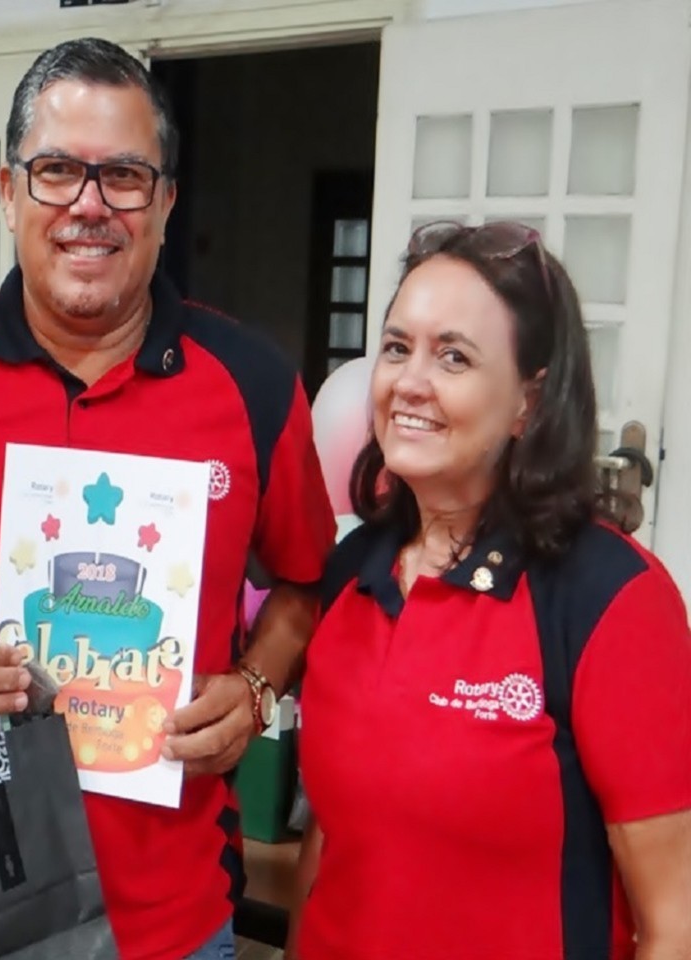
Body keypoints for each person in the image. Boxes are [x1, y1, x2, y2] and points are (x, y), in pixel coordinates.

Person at [0, 37, 335, 960]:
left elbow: (307, 582)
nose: (89, 205)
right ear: (10, 191)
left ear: (165, 203)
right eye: (57, 171)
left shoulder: (253, 384)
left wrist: (257, 690)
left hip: (177, 920)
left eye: (124, 176)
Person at [289, 221, 691, 960]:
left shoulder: (609, 598)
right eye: (397, 348)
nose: (410, 382)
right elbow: (334, 838)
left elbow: (675, 924)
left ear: (528, 402)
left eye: (454, 356)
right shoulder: (353, 572)